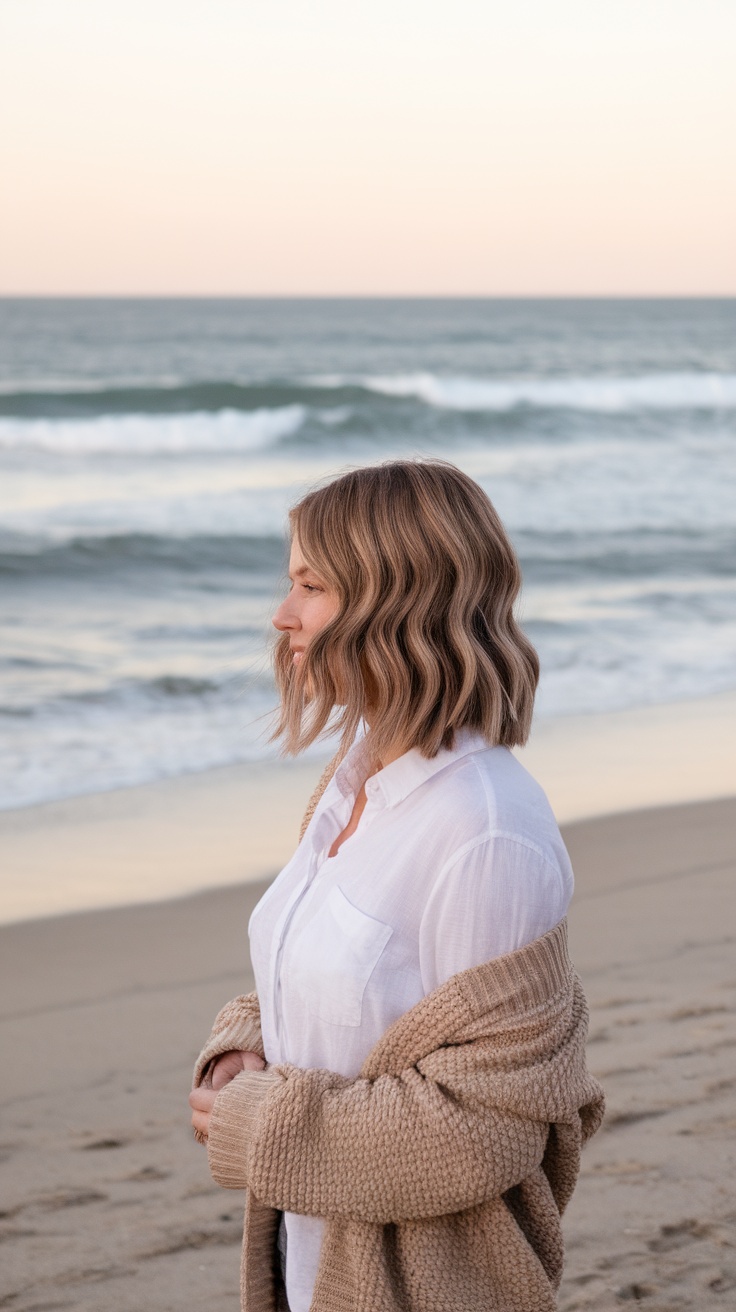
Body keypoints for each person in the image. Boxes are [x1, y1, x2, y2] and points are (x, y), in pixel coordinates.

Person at [189, 459, 604, 1312]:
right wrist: (245, 1043)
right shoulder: (356, 778)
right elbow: (342, 976)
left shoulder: (484, 830)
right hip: (315, 1265)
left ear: (394, 597)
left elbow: (480, 1132)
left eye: (311, 584)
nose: (283, 613)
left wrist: (255, 1122)